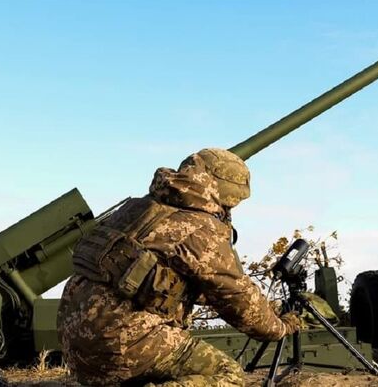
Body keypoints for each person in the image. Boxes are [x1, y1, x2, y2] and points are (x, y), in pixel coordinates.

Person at [57, 148, 301, 386]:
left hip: (77, 350)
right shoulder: (202, 229)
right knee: (229, 375)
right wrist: (281, 326)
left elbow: (162, 280)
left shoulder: (137, 208)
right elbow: (242, 305)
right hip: (122, 348)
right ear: (228, 193)